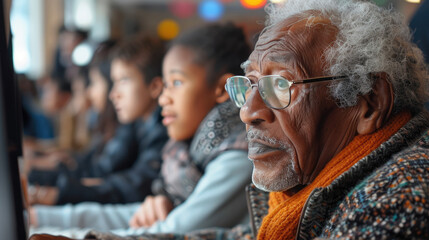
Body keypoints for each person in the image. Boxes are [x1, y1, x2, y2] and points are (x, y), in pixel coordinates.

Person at [30, 0, 429, 239]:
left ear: (369, 103)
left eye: (280, 84)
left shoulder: (397, 198)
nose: (249, 112)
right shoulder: (308, 185)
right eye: (250, 85)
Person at [29, 23, 253, 239]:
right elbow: (138, 218)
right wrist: (41, 217)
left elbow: (170, 233)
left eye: (176, 83)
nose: (164, 97)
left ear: (222, 89)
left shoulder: (238, 157)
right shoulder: (184, 155)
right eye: (166, 85)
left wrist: (66, 234)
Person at [26, 35, 169, 205]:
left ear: (154, 87)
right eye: (113, 83)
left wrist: (57, 190)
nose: (113, 94)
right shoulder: (141, 125)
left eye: (123, 80)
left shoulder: (158, 129)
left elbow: (132, 185)